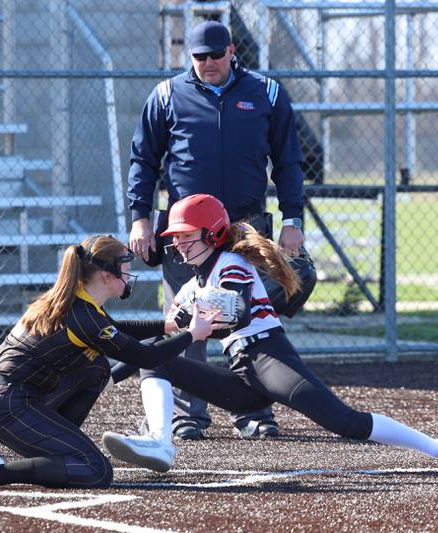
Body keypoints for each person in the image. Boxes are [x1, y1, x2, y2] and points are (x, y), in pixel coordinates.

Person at [102, 195, 438, 473]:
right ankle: (160, 443)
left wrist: (193, 320)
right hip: (243, 371)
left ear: (212, 234)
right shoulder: (192, 285)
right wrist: (105, 350)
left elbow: (236, 312)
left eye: (187, 235)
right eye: (176, 237)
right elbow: (165, 336)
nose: (178, 244)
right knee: (156, 354)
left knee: (349, 424)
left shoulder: (231, 263)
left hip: (269, 359)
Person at [127, 20, 307, 440]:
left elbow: (288, 162)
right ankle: (187, 415)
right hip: (186, 227)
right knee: (188, 320)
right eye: (198, 56)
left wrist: (292, 220)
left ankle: (254, 411)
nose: (207, 63)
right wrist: (140, 217)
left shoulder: (266, 92)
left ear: (231, 51)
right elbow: (143, 161)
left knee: (248, 320)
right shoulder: (167, 95)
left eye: (214, 54)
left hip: (246, 226)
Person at [0, 234, 224, 490]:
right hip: (7, 404)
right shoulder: (84, 315)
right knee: (94, 470)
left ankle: (57, 449)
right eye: (124, 265)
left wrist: (171, 325)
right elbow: (144, 356)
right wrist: (192, 334)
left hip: (1, 397)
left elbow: (117, 330)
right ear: (105, 274)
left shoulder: (79, 302)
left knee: (96, 367)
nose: (129, 271)